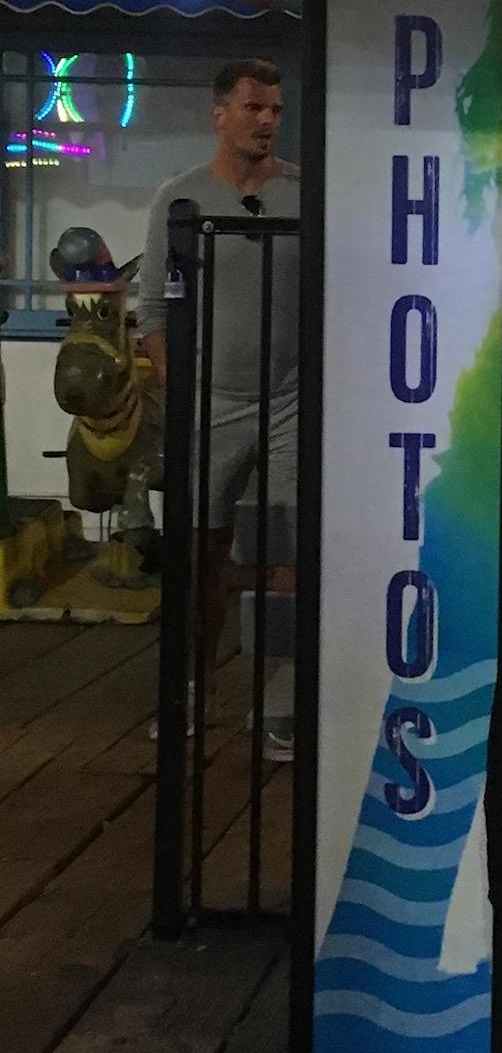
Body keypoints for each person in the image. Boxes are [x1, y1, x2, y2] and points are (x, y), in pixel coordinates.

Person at [138, 59, 300, 759]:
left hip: (292, 400)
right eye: (253, 107)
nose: (266, 120)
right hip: (209, 401)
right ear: (219, 113)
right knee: (199, 553)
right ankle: (190, 691)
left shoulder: (303, 193)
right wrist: (184, 396)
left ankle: (282, 706)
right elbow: (151, 313)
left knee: (292, 551)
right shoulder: (181, 199)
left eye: (275, 109)